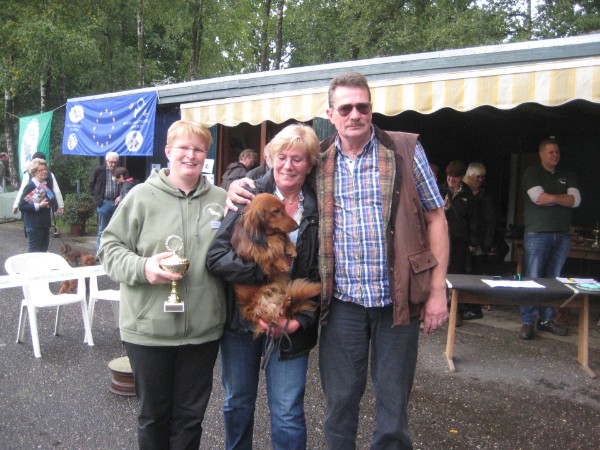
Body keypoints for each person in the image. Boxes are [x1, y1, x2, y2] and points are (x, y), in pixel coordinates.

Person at [226, 72, 449, 449]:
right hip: (342, 303)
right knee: (340, 403)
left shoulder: (405, 149)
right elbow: (280, 173)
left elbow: (436, 217)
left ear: (371, 109)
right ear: (331, 114)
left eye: (362, 106)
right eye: (345, 108)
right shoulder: (320, 158)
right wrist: (235, 184)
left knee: (393, 405)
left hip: (397, 302)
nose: (355, 114)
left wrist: (437, 290)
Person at [99, 120, 227, 449]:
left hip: (203, 330)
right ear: (168, 151)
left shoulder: (221, 199)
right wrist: (144, 267)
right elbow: (109, 249)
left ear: (206, 155)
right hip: (148, 329)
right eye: (183, 147)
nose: (191, 155)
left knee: (190, 418)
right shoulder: (141, 196)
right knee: (153, 416)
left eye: (199, 149)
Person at [207, 124, 320, 450]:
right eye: (281, 157)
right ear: (270, 158)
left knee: (287, 412)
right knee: (237, 403)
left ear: (310, 164)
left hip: (290, 322)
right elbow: (216, 257)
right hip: (242, 321)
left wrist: (299, 321)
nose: (288, 166)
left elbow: (321, 274)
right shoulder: (248, 195)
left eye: (297, 159)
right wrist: (262, 272)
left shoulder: (318, 208)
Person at [519, 137, 580, 340]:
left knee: (554, 279)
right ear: (541, 154)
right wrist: (562, 198)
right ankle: (528, 321)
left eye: (557, 152)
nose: (555, 155)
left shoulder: (568, 174)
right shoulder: (532, 172)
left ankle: (546, 320)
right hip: (538, 232)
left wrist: (551, 198)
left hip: (562, 234)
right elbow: (538, 198)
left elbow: (576, 201)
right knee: (533, 278)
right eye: (551, 152)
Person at [439, 160, 479, 326]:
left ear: (461, 177)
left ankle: (456, 311)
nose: (451, 180)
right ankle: (438, 309)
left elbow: (473, 220)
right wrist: (442, 210)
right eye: (449, 176)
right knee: (439, 273)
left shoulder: (468, 195)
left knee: (457, 274)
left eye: (455, 177)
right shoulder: (440, 190)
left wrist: (473, 241)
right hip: (441, 238)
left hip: (460, 240)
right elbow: (428, 212)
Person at [462, 162, 497, 320]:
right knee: (465, 273)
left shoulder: (484, 196)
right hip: (466, 239)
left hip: (479, 241)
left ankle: (474, 308)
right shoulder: (463, 193)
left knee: (474, 274)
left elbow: (490, 221)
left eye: (483, 177)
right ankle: (464, 306)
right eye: (478, 177)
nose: (480, 180)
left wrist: (487, 243)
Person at [18, 158, 57, 252]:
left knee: (43, 252)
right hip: (34, 225)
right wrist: (39, 206)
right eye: (41, 170)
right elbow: (22, 206)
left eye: (45, 169)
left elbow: (52, 199)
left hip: (44, 224)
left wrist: (56, 207)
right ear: (34, 172)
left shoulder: (44, 185)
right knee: (34, 253)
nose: (44, 172)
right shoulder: (30, 186)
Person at [12, 151, 64, 216]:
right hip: (46, 210)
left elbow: (22, 191)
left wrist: (15, 205)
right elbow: (57, 191)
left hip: (31, 212)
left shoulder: (28, 174)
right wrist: (60, 206)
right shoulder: (50, 174)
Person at [89, 151, 120, 254]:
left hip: (117, 204)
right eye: (111, 162)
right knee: (102, 229)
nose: (113, 164)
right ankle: (100, 253)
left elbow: (126, 185)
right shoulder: (99, 170)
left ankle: (112, 253)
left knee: (116, 230)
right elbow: (91, 184)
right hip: (104, 203)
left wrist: (121, 196)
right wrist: (98, 198)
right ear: (107, 161)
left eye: (115, 162)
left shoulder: (120, 171)